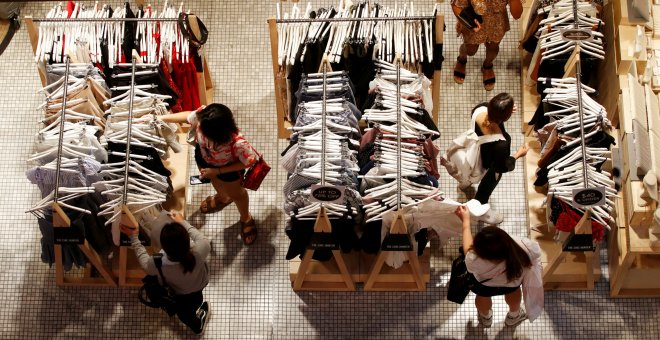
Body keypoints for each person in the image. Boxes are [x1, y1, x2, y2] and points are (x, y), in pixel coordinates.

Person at [161, 103, 258, 245]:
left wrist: (217, 171)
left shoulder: (237, 143)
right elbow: (188, 116)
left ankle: (246, 217)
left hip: (227, 169)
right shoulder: (203, 118)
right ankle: (224, 198)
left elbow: (249, 161)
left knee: (238, 194)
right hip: (204, 160)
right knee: (214, 181)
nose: (199, 127)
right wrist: (159, 117)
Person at [121, 211, 211, 334]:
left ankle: (196, 326)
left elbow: (144, 262)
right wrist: (182, 222)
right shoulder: (200, 251)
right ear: (186, 239)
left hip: (180, 295)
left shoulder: (157, 263)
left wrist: (134, 238)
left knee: (185, 314)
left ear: (163, 246)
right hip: (199, 285)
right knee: (196, 302)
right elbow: (200, 238)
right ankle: (196, 321)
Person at [455, 205, 543, 328]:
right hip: (512, 282)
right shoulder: (523, 246)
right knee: (514, 293)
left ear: (479, 249)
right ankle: (514, 316)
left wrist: (466, 221)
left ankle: (486, 317)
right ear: (505, 238)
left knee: (483, 297)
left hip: (484, 285)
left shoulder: (474, 259)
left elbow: (466, 250)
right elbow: (536, 255)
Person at [471, 93, 528, 224]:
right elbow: (501, 166)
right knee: (485, 189)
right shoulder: (501, 144)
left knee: (468, 173)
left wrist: (501, 114)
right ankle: (480, 210)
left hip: (475, 150)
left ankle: (464, 183)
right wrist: (518, 154)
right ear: (506, 117)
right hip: (488, 164)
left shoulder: (480, 108)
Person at [451, 0, 523, 91]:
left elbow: (517, 15)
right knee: (470, 50)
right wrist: (469, 24)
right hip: (474, 20)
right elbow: (456, 5)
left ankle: (488, 65)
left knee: (493, 48)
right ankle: (462, 58)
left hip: (497, 23)